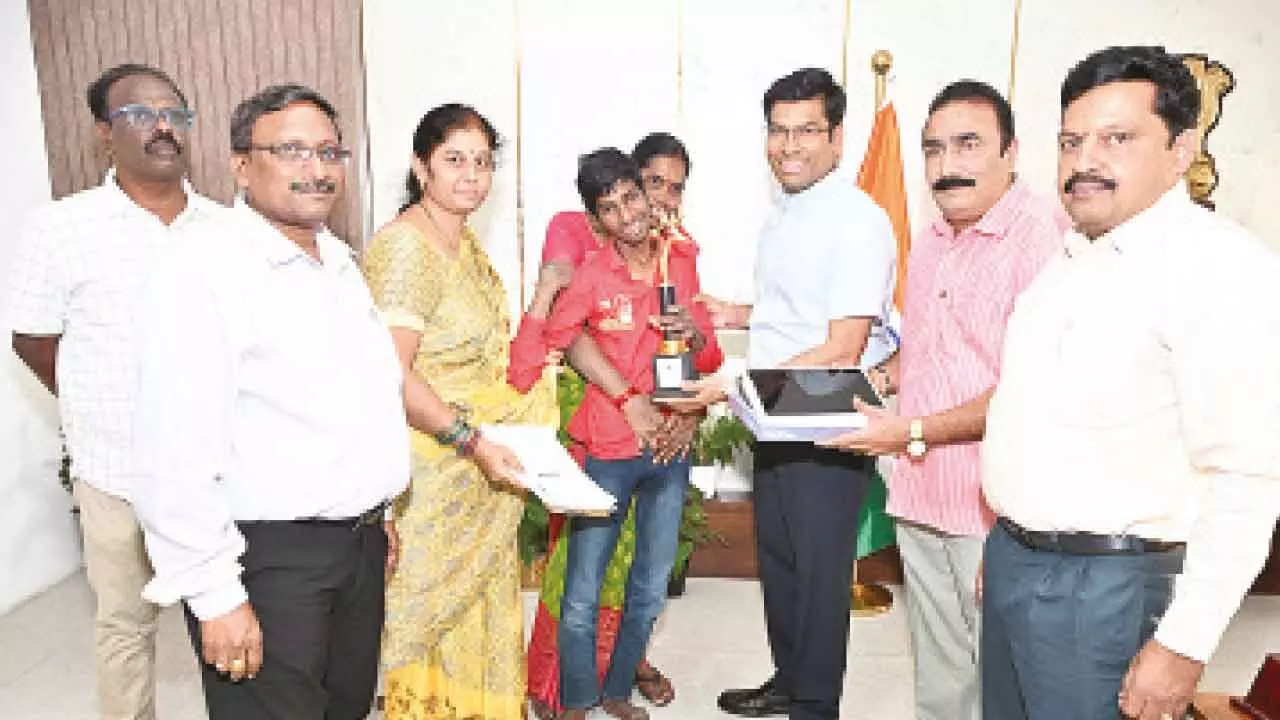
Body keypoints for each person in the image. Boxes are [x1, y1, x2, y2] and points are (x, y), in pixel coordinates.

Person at [981, 45, 1280, 720]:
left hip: (1106, 590)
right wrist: (1011, 540)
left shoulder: (1220, 270)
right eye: (1071, 141)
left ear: (1181, 150)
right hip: (1016, 563)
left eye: (1118, 138)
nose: (1085, 160)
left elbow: (1248, 476)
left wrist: (1183, 643)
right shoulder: (1065, 264)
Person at [129, 84, 408, 720]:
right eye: (291, 150)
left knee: (345, 708)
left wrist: (379, 508)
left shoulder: (336, 259)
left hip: (356, 545)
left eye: (329, 152)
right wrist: (215, 596)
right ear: (240, 164)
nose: (316, 169)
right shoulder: (203, 268)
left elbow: (357, 400)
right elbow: (173, 449)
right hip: (268, 556)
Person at [818, 80, 1063, 720]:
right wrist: (855, 387)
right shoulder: (930, 241)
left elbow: (1030, 390)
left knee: (1004, 676)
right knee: (941, 668)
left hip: (997, 507)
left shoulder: (1044, 239)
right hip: (922, 490)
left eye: (967, 145)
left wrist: (913, 431)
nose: (946, 165)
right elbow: (921, 354)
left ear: (1011, 151)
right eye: (932, 149)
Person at [7, 62, 219, 720]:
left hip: (217, 470)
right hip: (114, 469)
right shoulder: (60, 228)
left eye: (174, 114)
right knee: (126, 626)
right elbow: (33, 339)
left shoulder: (225, 230)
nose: (162, 126)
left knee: (226, 619)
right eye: (139, 113)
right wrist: (97, 400)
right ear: (104, 132)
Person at [694, 67, 897, 720]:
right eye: (778, 131)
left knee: (817, 580)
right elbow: (801, 312)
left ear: (837, 137)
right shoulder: (786, 214)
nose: (789, 145)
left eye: (807, 130)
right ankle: (790, 680)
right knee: (781, 566)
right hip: (779, 417)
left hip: (826, 425)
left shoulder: (857, 221)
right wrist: (739, 313)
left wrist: (733, 385)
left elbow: (842, 345)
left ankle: (816, 705)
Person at [508, 147, 723, 720]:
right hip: (606, 453)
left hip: (669, 454)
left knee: (650, 587)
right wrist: (548, 291)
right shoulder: (591, 275)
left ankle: (617, 690)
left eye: (633, 196)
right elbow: (540, 353)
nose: (628, 212)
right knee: (582, 591)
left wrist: (694, 338)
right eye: (611, 207)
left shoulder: (679, 261)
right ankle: (577, 699)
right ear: (595, 220)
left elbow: (709, 351)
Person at [363, 103, 555, 720]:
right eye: (454, 161)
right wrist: (471, 440)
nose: (471, 175)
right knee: (430, 616)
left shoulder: (461, 240)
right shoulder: (406, 250)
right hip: (434, 469)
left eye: (481, 162)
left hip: (480, 466)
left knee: (480, 607)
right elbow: (392, 373)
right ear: (422, 167)